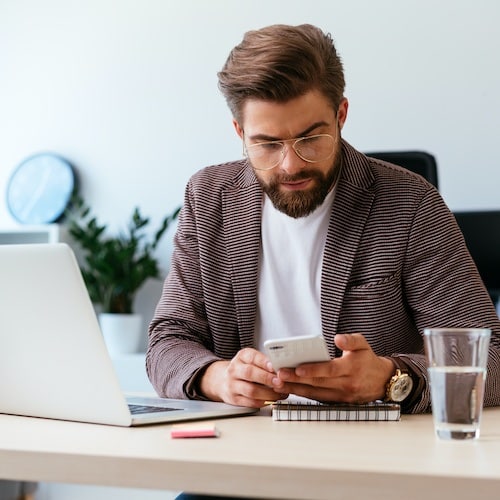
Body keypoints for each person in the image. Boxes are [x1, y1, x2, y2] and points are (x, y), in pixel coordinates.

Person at [147, 24, 500, 419]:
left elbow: (493, 357)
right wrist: (217, 378)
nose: (291, 164)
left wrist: (392, 379)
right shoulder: (209, 196)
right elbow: (168, 342)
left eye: (311, 138)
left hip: (372, 453)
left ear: (341, 115)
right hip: (243, 446)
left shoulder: (409, 204)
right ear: (240, 133)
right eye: (267, 144)